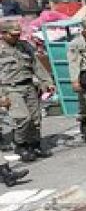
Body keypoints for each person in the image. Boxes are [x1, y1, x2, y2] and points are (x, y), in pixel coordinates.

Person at [0, 20, 54, 163]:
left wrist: (46, 81)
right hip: (10, 88)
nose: (17, 37)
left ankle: (34, 144)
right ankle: (20, 144)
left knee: (36, 119)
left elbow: (36, 65)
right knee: (23, 118)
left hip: (28, 86)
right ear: (3, 34)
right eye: (13, 35)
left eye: (18, 34)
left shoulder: (24, 46)